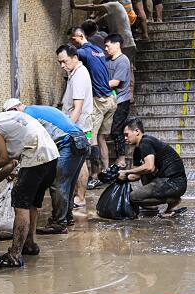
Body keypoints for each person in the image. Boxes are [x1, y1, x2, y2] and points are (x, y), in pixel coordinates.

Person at [0, 102, 59, 267]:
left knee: (20, 204)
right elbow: (11, 162)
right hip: (51, 157)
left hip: (36, 157)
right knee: (31, 204)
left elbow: (2, 159)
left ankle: (14, 254)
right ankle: (30, 244)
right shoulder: (6, 119)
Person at [3, 98, 89, 235]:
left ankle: (58, 223)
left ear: (15, 110)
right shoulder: (37, 109)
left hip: (69, 143)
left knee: (58, 184)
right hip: (81, 140)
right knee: (69, 183)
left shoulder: (27, 116)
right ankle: (66, 217)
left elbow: (34, 144)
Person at [68, 25, 117, 190]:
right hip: (111, 99)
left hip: (99, 102)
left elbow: (73, 59)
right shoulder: (98, 49)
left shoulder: (82, 52)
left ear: (80, 36)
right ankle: (106, 171)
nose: (72, 43)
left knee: (93, 138)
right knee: (102, 138)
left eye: (73, 39)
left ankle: (95, 176)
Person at [118, 117, 187, 218]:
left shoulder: (145, 142)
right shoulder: (137, 150)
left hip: (175, 183)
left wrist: (127, 171)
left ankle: (173, 200)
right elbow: (135, 176)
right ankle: (151, 206)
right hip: (163, 180)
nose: (125, 138)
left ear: (137, 131)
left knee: (133, 197)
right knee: (143, 173)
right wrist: (120, 177)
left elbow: (149, 167)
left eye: (126, 134)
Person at [72, 1, 137, 100]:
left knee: (126, 69)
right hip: (125, 42)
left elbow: (93, 6)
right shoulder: (112, 12)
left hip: (124, 43)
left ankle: (128, 96)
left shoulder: (113, 5)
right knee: (125, 68)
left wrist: (75, 6)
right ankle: (123, 95)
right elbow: (96, 23)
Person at [56, 44, 94, 208]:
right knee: (81, 161)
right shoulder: (76, 73)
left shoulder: (79, 76)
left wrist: (67, 129)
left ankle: (80, 197)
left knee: (80, 162)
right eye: (60, 63)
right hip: (79, 126)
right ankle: (79, 196)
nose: (62, 66)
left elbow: (77, 107)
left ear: (74, 57)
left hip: (78, 127)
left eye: (64, 61)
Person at [105, 34, 132, 169]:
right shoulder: (107, 60)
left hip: (121, 100)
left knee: (116, 130)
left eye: (108, 45)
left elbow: (115, 82)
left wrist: (97, 84)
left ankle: (122, 159)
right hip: (110, 100)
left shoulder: (123, 61)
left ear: (117, 45)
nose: (106, 48)